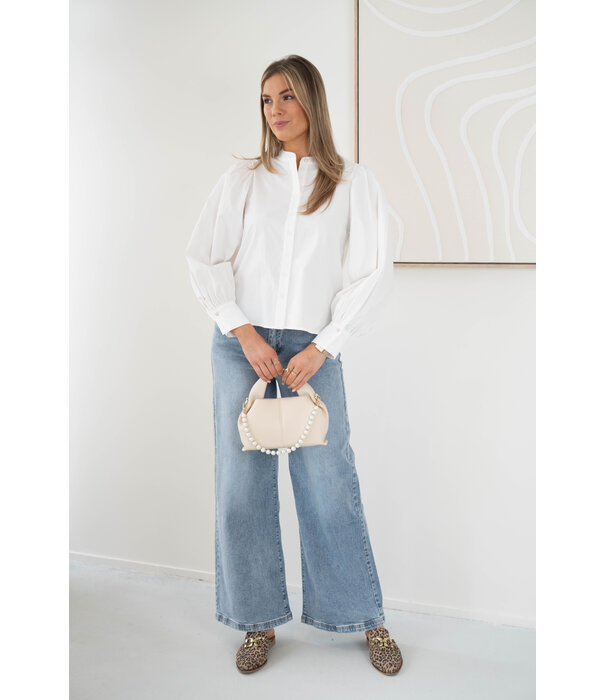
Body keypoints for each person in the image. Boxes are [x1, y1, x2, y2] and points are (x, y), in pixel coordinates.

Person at [185, 54, 402, 676]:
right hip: (242, 344)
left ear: (312, 100)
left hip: (314, 348)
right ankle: (256, 621)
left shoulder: (353, 183)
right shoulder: (243, 180)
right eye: (265, 99)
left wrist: (323, 345)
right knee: (241, 489)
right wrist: (244, 333)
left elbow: (372, 272)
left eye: (286, 96)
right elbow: (205, 258)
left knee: (329, 485)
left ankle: (362, 617)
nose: (274, 110)